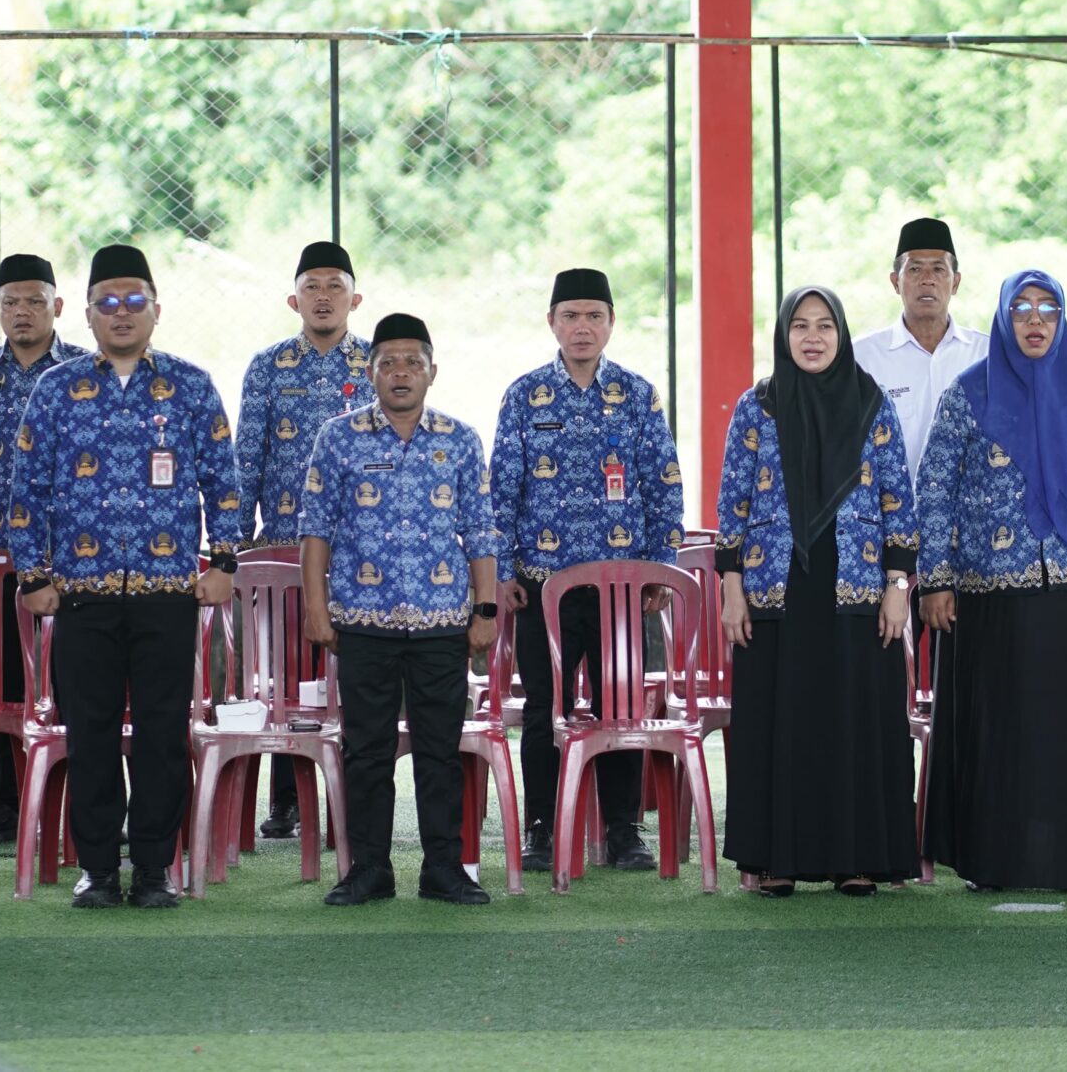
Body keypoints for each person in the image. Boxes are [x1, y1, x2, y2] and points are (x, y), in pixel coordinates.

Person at [7, 244, 244, 909]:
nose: (121, 312)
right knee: (92, 734)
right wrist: (33, 576)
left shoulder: (190, 386)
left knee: (164, 735)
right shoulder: (57, 390)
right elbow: (26, 490)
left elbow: (223, 481)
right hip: (80, 595)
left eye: (134, 300)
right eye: (106, 302)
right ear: (85, 314)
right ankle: (98, 869)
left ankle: (153, 868)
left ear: (155, 310)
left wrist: (224, 561)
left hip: (167, 592)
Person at [917, 268, 1067, 893]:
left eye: (1048, 309)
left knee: (1065, 732)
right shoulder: (970, 393)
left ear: (1062, 320)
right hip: (989, 593)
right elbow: (934, 489)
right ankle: (994, 862)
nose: (1035, 321)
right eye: (1022, 309)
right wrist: (935, 579)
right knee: (1000, 732)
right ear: (1003, 318)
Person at [716, 286, 919, 896]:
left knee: (854, 718)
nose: (812, 337)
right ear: (784, 335)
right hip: (775, 585)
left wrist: (898, 584)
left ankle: (857, 857)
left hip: (857, 583)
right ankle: (774, 858)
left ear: (841, 334)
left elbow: (897, 498)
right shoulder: (758, 406)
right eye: (799, 326)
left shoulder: (870, 402)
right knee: (779, 719)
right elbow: (733, 502)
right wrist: (731, 587)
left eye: (824, 326)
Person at [298, 313, 501, 906]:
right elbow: (315, 531)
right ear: (371, 373)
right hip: (363, 622)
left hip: (442, 623)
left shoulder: (459, 439)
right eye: (388, 362)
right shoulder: (338, 437)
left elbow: (481, 532)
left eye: (414, 362)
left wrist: (485, 610)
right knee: (366, 752)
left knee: (440, 752)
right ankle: (369, 869)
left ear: (433, 372)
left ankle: (444, 868)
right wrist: (317, 608)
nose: (401, 372)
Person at [491, 267, 686, 873]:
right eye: (571, 316)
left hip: (621, 588)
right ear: (552, 322)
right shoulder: (524, 396)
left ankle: (624, 830)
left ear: (611, 323)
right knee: (544, 709)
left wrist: (663, 565)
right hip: (541, 587)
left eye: (594, 316)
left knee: (620, 707)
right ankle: (542, 828)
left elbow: (664, 484)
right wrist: (503, 569)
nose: (583, 327)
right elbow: (501, 491)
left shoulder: (637, 394)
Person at [235, 239, 374, 841]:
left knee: (353, 676)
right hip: (285, 548)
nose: (323, 297)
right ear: (293, 300)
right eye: (311, 287)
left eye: (334, 286)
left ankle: (353, 797)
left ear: (355, 299)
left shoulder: (376, 364)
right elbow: (247, 457)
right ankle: (288, 799)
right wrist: (234, 544)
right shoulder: (268, 366)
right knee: (288, 677)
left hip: (361, 552)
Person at [0, 252, 81, 848]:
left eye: (35, 300)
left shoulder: (86, 370)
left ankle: (80, 802)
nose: (23, 312)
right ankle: (3, 801)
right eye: (11, 302)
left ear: (58, 306)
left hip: (70, 559)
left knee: (74, 681)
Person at [856, 216, 989, 488]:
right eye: (915, 269)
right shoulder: (862, 357)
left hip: (970, 508)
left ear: (955, 283)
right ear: (895, 282)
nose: (927, 280)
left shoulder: (986, 354)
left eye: (939, 269)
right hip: (889, 506)